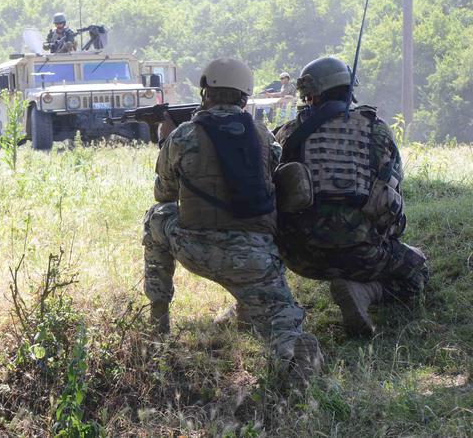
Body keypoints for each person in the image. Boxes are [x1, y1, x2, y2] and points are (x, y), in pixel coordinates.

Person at [143, 56, 323, 386]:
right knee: (281, 319)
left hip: (196, 248)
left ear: (204, 94)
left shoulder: (184, 136)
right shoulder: (265, 137)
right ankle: (292, 354)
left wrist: (166, 142)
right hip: (255, 257)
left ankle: (158, 320)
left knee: (156, 217)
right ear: (244, 98)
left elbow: (163, 195)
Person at [274, 56, 429, 337]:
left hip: (298, 256)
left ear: (311, 95)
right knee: (418, 273)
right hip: (362, 254)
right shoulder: (377, 130)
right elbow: (391, 195)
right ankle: (365, 290)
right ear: (349, 89)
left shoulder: (288, 134)